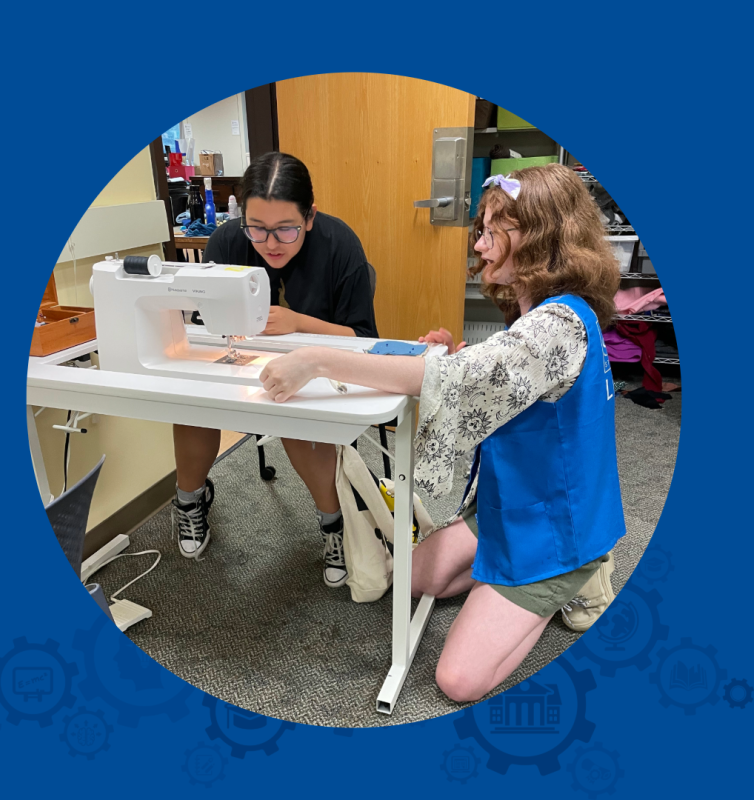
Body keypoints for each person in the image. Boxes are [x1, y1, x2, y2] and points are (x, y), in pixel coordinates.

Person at [256, 164, 626, 703]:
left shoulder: (556, 326)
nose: (480, 244)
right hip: (511, 506)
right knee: (408, 579)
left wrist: (315, 360)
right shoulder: (544, 314)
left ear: (540, 237)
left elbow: (452, 382)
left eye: (494, 232)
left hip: (554, 533)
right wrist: (459, 358)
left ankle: (563, 587)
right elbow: (502, 380)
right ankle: (507, 585)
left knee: (457, 681)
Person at [172, 152, 378, 591]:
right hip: (244, 363)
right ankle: (189, 500)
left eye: (285, 228)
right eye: (257, 228)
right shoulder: (226, 243)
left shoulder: (340, 246)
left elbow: (363, 338)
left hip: (320, 368)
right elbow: (205, 323)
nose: (270, 243)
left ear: (310, 216)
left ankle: (332, 523)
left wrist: (298, 323)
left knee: (297, 415)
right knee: (190, 403)